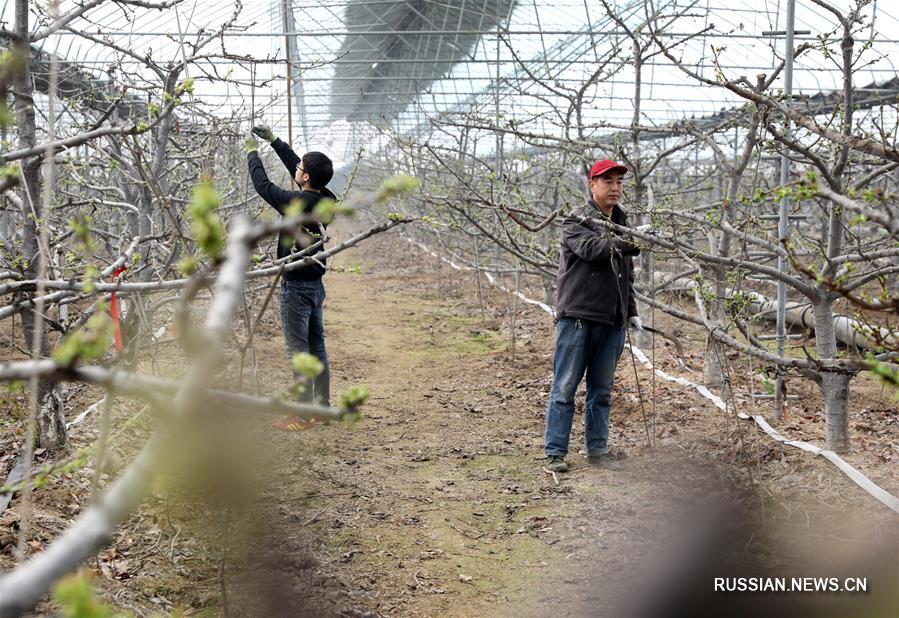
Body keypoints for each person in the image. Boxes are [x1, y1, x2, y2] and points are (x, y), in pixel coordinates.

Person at [543, 159, 643, 473]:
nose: (615, 187)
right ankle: (555, 452)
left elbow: (625, 275)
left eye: (619, 182)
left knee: (601, 391)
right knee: (565, 388)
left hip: (612, 322)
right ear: (592, 184)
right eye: (607, 181)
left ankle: (597, 451)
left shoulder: (623, 221)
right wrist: (628, 241)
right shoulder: (576, 220)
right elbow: (592, 250)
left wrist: (631, 311)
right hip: (578, 318)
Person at [245, 126, 336, 409]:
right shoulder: (326, 200)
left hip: (295, 287)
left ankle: (303, 411)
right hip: (315, 285)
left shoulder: (297, 202)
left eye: (300, 168)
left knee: (298, 351)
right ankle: (321, 407)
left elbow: (264, 187)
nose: (296, 169)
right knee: (316, 347)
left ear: (306, 176)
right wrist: (276, 143)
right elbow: (302, 173)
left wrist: (252, 154)